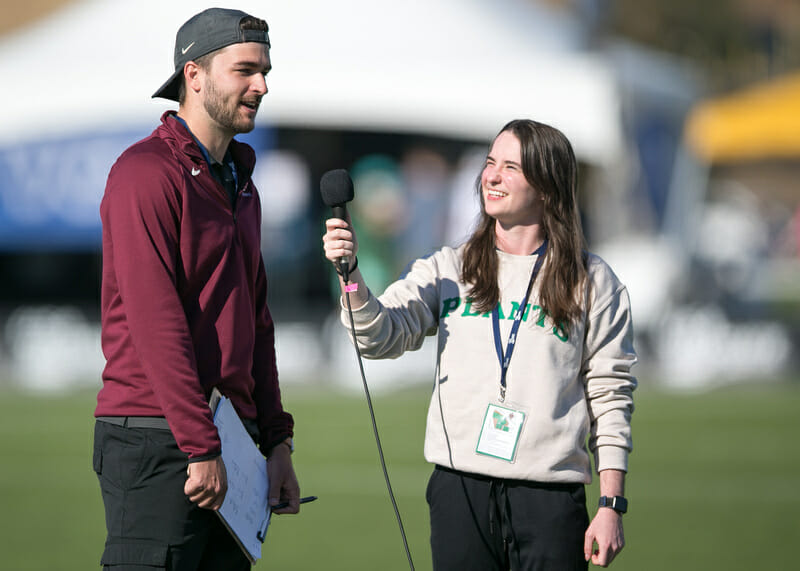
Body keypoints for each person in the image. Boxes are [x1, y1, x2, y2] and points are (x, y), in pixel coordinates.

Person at [322, 119, 637, 570]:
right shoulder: (448, 268)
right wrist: (350, 277)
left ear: (547, 185)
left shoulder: (594, 281)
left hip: (549, 497)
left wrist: (610, 505)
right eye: (491, 163)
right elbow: (379, 336)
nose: (491, 176)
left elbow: (611, 396)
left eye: (511, 167)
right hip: (459, 490)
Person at [93, 8, 300, 570]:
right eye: (245, 70)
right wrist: (200, 443)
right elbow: (155, 323)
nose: (261, 85)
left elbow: (255, 323)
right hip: (160, 438)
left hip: (229, 437)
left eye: (266, 70)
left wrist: (275, 442)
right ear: (194, 75)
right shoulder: (144, 174)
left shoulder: (241, 182)